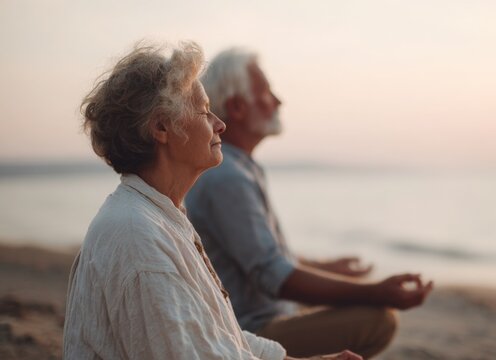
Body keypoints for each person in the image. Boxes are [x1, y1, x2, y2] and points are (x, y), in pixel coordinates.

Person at [63, 41, 361, 360]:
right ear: (162, 127)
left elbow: (217, 334)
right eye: (204, 111)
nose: (219, 124)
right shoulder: (138, 236)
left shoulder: (157, 215)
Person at [185, 48, 434, 359]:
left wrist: (327, 267)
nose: (278, 101)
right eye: (266, 92)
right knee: (378, 320)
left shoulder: (235, 169)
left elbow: (262, 255)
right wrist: (376, 292)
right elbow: (272, 275)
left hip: (264, 315)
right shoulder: (228, 177)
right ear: (237, 107)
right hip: (249, 332)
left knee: (357, 301)